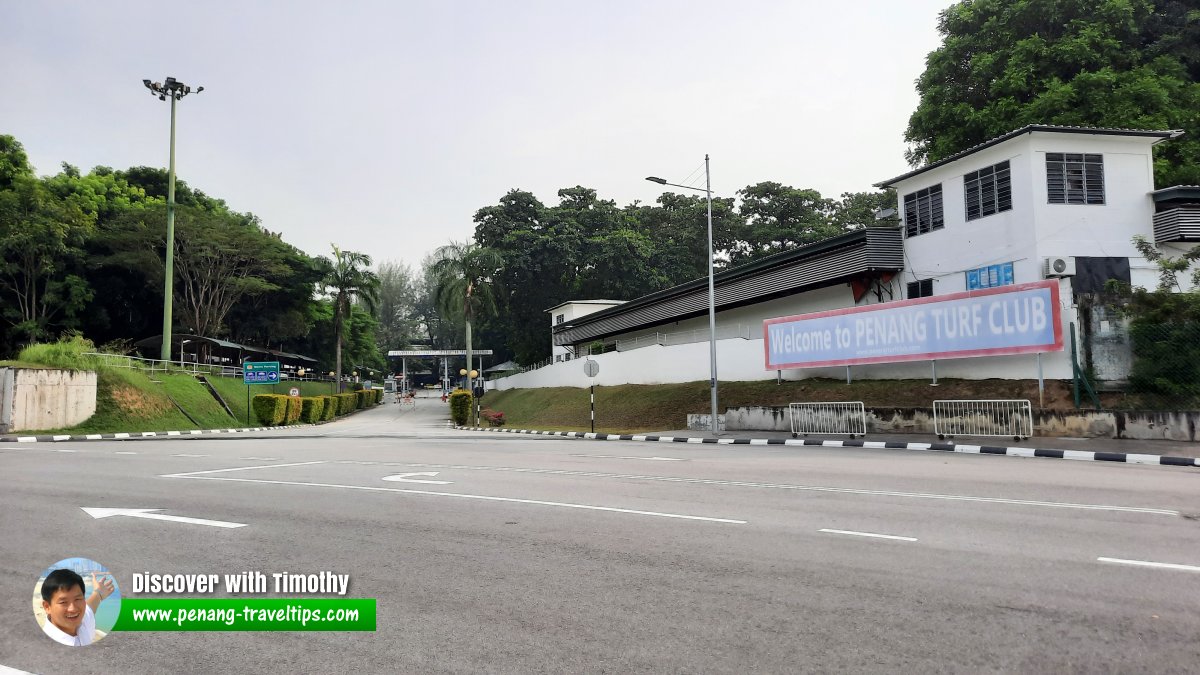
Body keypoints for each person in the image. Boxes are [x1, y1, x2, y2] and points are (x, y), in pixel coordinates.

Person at [40, 569, 113, 646]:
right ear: (47, 607)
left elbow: (91, 606)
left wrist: (99, 593)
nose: (73, 609)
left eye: (77, 599)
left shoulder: (83, 621)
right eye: (63, 602)